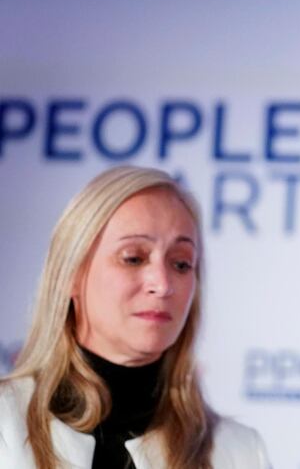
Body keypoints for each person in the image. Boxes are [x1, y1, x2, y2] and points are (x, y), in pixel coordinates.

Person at [0, 166, 271, 469]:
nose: (163, 284)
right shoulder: (5, 423)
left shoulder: (239, 452)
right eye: (133, 258)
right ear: (70, 275)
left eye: (181, 264)